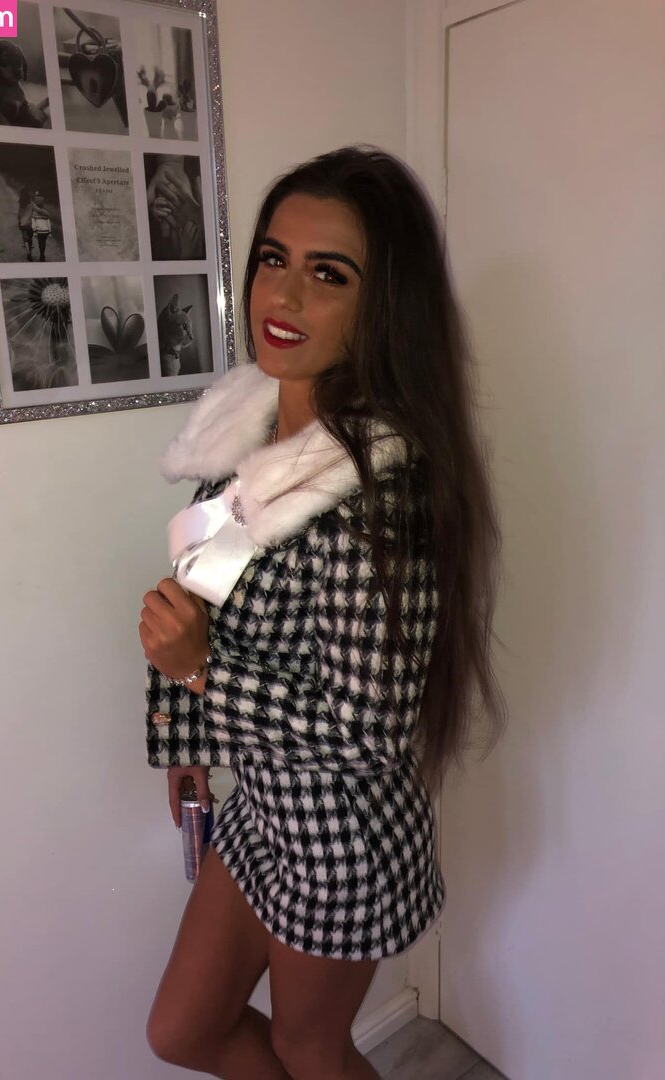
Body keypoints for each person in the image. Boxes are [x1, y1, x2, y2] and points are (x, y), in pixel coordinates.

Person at [138, 145, 505, 1080]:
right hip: (261, 805)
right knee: (181, 1030)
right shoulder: (250, 431)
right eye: (274, 258)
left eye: (329, 274)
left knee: (309, 1045)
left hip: (341, 834)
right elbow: (204, 589)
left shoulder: (377, 493)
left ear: (384, 306)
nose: (285, 294)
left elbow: (368, 730)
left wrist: (199, 676)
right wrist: (186, 733)